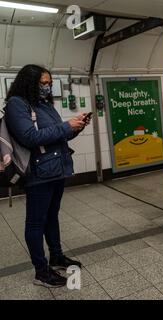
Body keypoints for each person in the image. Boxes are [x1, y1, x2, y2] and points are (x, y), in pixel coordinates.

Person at [4, 65, 91, 288]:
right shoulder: (17, 104)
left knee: (52, 216)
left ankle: (57, 256)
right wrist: (65, 126)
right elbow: (30, 137)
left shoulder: (43, 104)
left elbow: (57, 136)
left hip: (56, 169)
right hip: (38, 173)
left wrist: (76, 127)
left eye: (49, 82)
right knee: (35, 222)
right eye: (43, 83)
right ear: (29, 82)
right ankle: (41, 272)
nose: (47, 86)